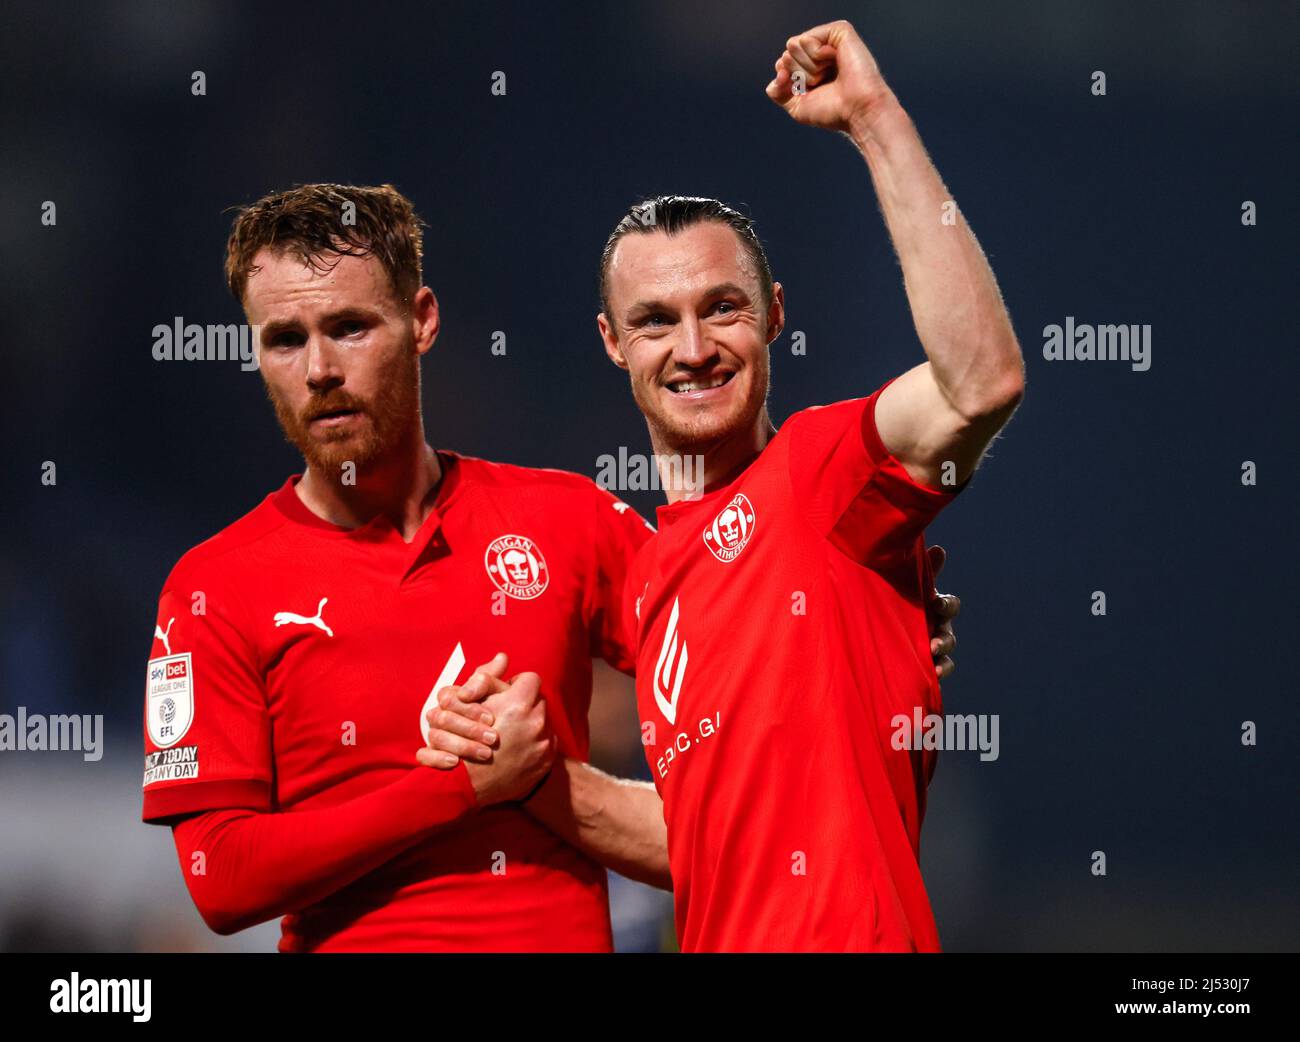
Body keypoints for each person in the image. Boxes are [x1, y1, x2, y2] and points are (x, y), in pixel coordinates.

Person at [141, 181, 963, 951]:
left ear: (422, 320)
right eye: (285, 339)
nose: (319, 369)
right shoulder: (213, 587)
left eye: (350, 327)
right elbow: (220, 879)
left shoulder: (566, 521)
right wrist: (455, 789)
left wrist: (858, 623)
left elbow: (742, 665)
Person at [427, 21, 1020, 952]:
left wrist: (873, 120)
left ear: (776, 316)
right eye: (656, 320)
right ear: (613, 343)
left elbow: (978, 380)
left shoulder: (825, 473)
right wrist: (533, 772)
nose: (694, 348)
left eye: (723, 309)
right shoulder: (655, 576)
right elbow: (697, 841)